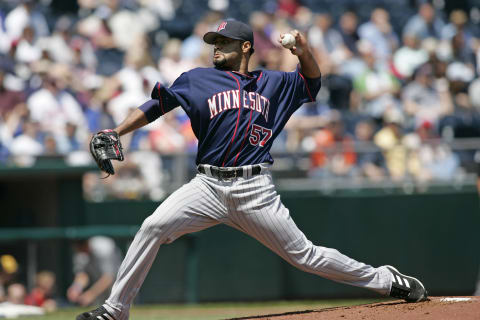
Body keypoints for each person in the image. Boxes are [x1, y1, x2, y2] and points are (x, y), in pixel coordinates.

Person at [77, 20, 428, 320]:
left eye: (224, 42)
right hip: (207, 186)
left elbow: (312, 82)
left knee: (304, 256)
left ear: (246, 47)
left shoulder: (273, 83)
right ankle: (115, 310)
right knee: (152, 226)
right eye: (214, 42)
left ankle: (385, 280)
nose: (216, 47)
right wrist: (116, 131)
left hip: (255, 189)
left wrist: (303, 50)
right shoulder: (197, 79)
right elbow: (157, 104)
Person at [68, 237, 122, 307]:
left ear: (86, 243)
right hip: (98, 284)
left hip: (119, 284)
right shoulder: (80, 253)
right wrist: (76, 288)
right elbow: (82, 275)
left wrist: (91, 294)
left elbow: (109, 278)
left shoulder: (105, 247)